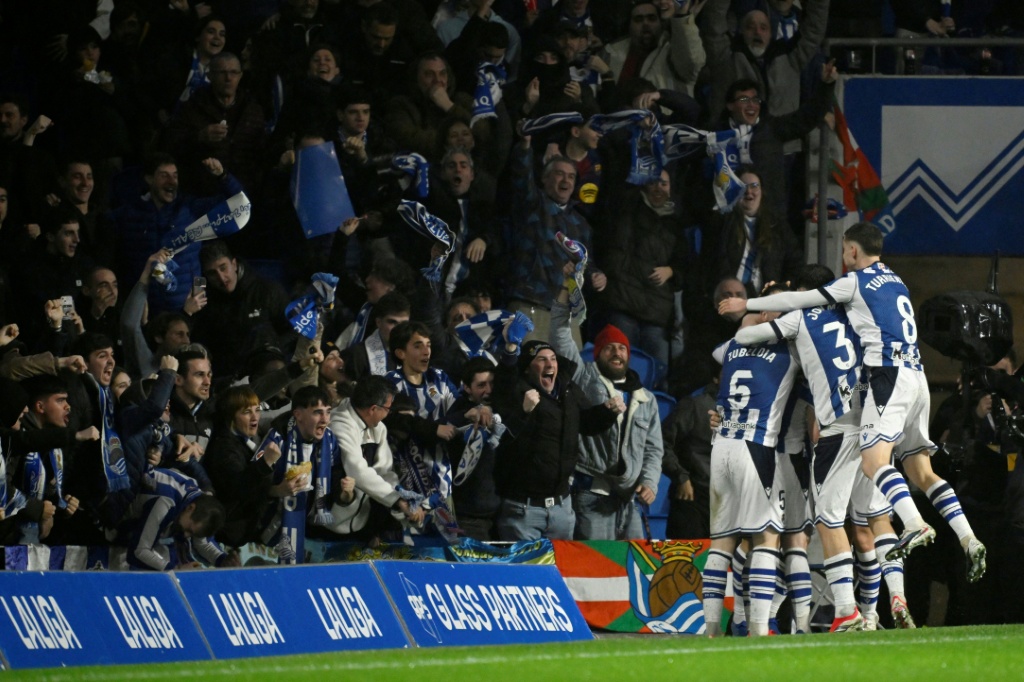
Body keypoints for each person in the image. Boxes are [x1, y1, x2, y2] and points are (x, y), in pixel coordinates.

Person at [719, 222, 987, 579]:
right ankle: (968, 538)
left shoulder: (853, 283)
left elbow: (797, 301)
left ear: (853, 251)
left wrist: (748, 303)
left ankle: (914, 523)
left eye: (845, 250)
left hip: (887, 378)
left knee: (872, 462)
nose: (844, 257)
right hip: (918, 378)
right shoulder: (897, 280)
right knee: (922, 472)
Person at [700, 306, 799, 638]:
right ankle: (758, 627)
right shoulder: (790, 349)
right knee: (766, 540)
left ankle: (711, 628)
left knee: (720, 546)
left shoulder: (730, 348)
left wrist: (752, 318)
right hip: (755, 447)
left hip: (722, 446)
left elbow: (722, 347)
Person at [551, 278, 662, 540]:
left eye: (622, 348)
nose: (616, 352)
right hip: (592, 496)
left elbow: (654, 449)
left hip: (630, 500)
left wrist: (650, 482)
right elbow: (559, 334)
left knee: (634, 569)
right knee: (596, 568)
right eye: (608, 347)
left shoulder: (646, 398)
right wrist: (567, 287)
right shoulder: (583, 377)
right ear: (597, 353)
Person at [491, 337, 624, 540]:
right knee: (527, 571)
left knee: (561, 571)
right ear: (527, 368)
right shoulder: (515, 392)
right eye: (541, 359)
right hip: (522, 510)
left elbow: (587, 423)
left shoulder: (568, 389)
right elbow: (503, 435)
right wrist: (523, 411)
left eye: (553, 358)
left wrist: (607, 412)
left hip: (562, 508)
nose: (550, 364)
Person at [109, 153, 243, 314]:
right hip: (147, 313)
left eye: (175, 176)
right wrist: (132, 299)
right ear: (149, 179)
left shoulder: (190, 208)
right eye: (164, 175)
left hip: (188, 310)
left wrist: (223, 176)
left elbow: (240, 204)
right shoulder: (128, 215)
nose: (171, 181)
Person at [506, 125, 592, 346]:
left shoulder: (580, 223)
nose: (566, 180)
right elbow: (521, 177)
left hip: (567, 314)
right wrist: (525, 146)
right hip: (529, 303)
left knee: (570, 377)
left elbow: (587, 263)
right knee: (527, 371)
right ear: (544, 179)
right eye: (559, 174)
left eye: (571, 176)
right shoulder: (532, 204)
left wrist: (597, 273)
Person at [203, 385, 299, 548]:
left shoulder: (252, 438)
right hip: (229, 537)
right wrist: (265, 463)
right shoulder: (224, 448)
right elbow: (238, 488)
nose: (255, 417)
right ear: (231, 417)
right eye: (246, 412)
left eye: (257, 410)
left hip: (249, 532)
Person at [328, 375, 420, 541]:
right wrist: (396, 499)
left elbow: (385, 472)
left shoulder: (379, 429)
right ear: (372, 409)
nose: (388, 414)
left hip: (360, 523)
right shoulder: (340, 423)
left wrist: (402, 497)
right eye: (388, 409)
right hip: (327, 524)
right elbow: (357, 470)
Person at [124, 467, 235, 571]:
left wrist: (223, 560)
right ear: (190, 508)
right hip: (119, 525)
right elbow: (138, 551)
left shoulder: (199, 502)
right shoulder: (165, 502)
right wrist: (176, 570)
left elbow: (201, 542)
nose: (187, 535)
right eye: (189, 530)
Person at [446, 357, 504, 540]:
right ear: (467, 388)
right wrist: (466, 416)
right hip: (470, 517)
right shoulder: (459, 413)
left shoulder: (501, 407)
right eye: (481, 385)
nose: (489, 390)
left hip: (503, 513)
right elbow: (440, 427)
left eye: (492, 383)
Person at [598, 0, 705, 98]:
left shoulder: (673, 49)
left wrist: (682, 18)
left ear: (660, 23)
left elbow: (691, 64)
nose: (646, 23)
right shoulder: (611, 51)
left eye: (652, 18)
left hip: (665, 118)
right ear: (629, 25)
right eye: (638, 19)